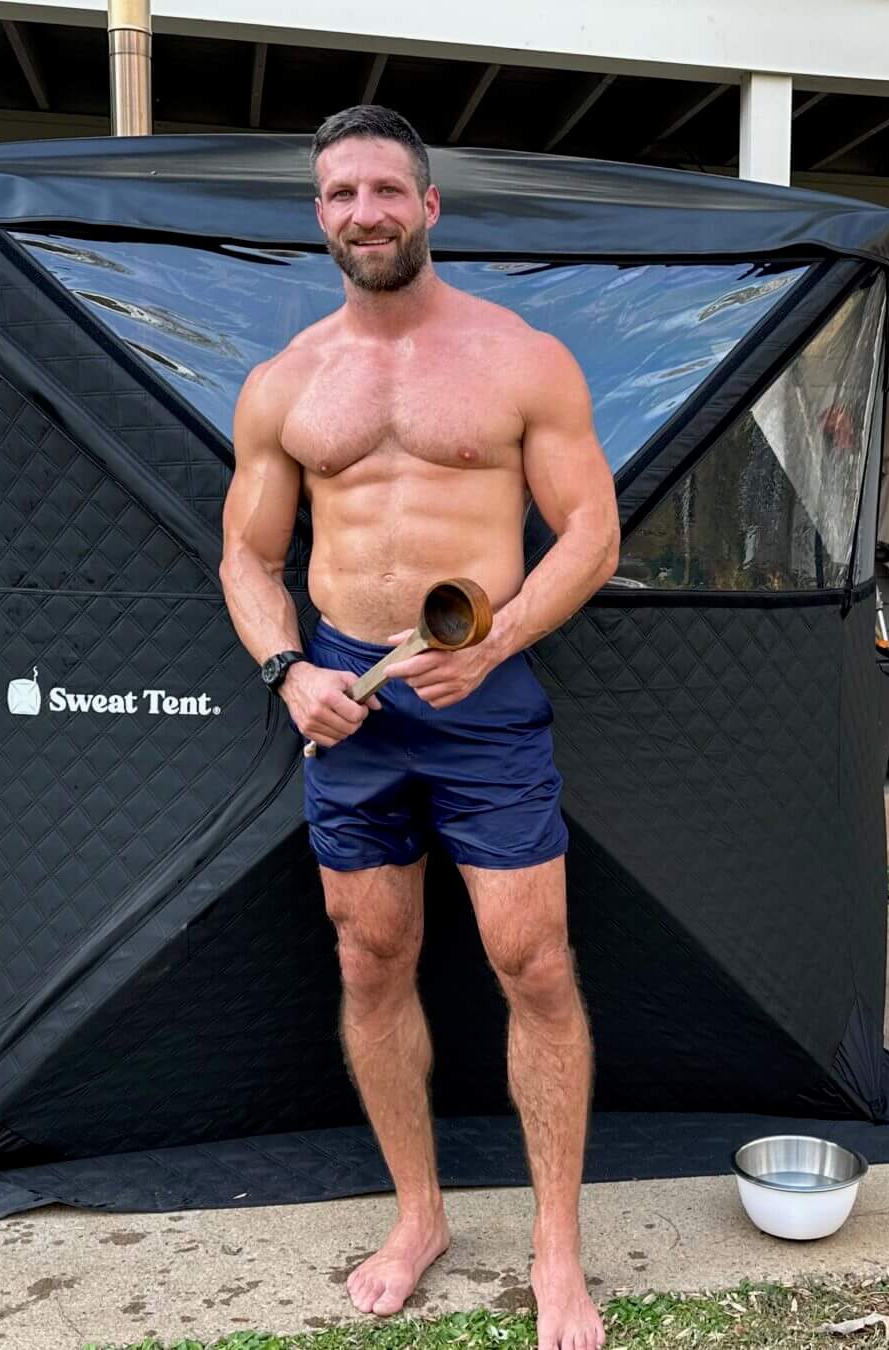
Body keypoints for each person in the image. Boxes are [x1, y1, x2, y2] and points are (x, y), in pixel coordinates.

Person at [217, 104, 619, 1350]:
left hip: (481, 687)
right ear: (320, 216)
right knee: (368, 955)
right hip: (345, 693)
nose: (365, 213)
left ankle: (557, 1252)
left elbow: (594, 533)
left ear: (429, 207)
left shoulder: (520, 359)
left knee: (532, 961)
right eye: (341, 194)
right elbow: (244, 553)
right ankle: (420, 1214)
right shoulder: (286, 383)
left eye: (386, 190)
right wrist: (287, 670)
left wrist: (498, 638)